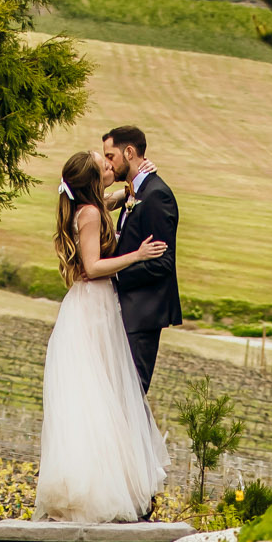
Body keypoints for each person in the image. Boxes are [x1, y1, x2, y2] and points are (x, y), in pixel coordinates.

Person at [34, 147, 171, 524]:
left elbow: (116, 198)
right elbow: (93, 266)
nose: (110, 166)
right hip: (93, 306)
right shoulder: (91, 214)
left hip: (89, 307)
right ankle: (97, 490)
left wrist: (137, 181)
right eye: (103, 165)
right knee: (99, 393)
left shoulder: (89, 205)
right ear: (94, 180)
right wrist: (138, 255)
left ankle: (91, 483)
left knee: (94, 394)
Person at [103, 123, 182, 394]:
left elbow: (162, 262)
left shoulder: (156, 195)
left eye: (110, 157)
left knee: (131, 400)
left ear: (128, 153)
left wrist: (114, 273)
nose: (108, 164)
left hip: (142, 314)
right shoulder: (134, 193)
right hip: (124, 310)